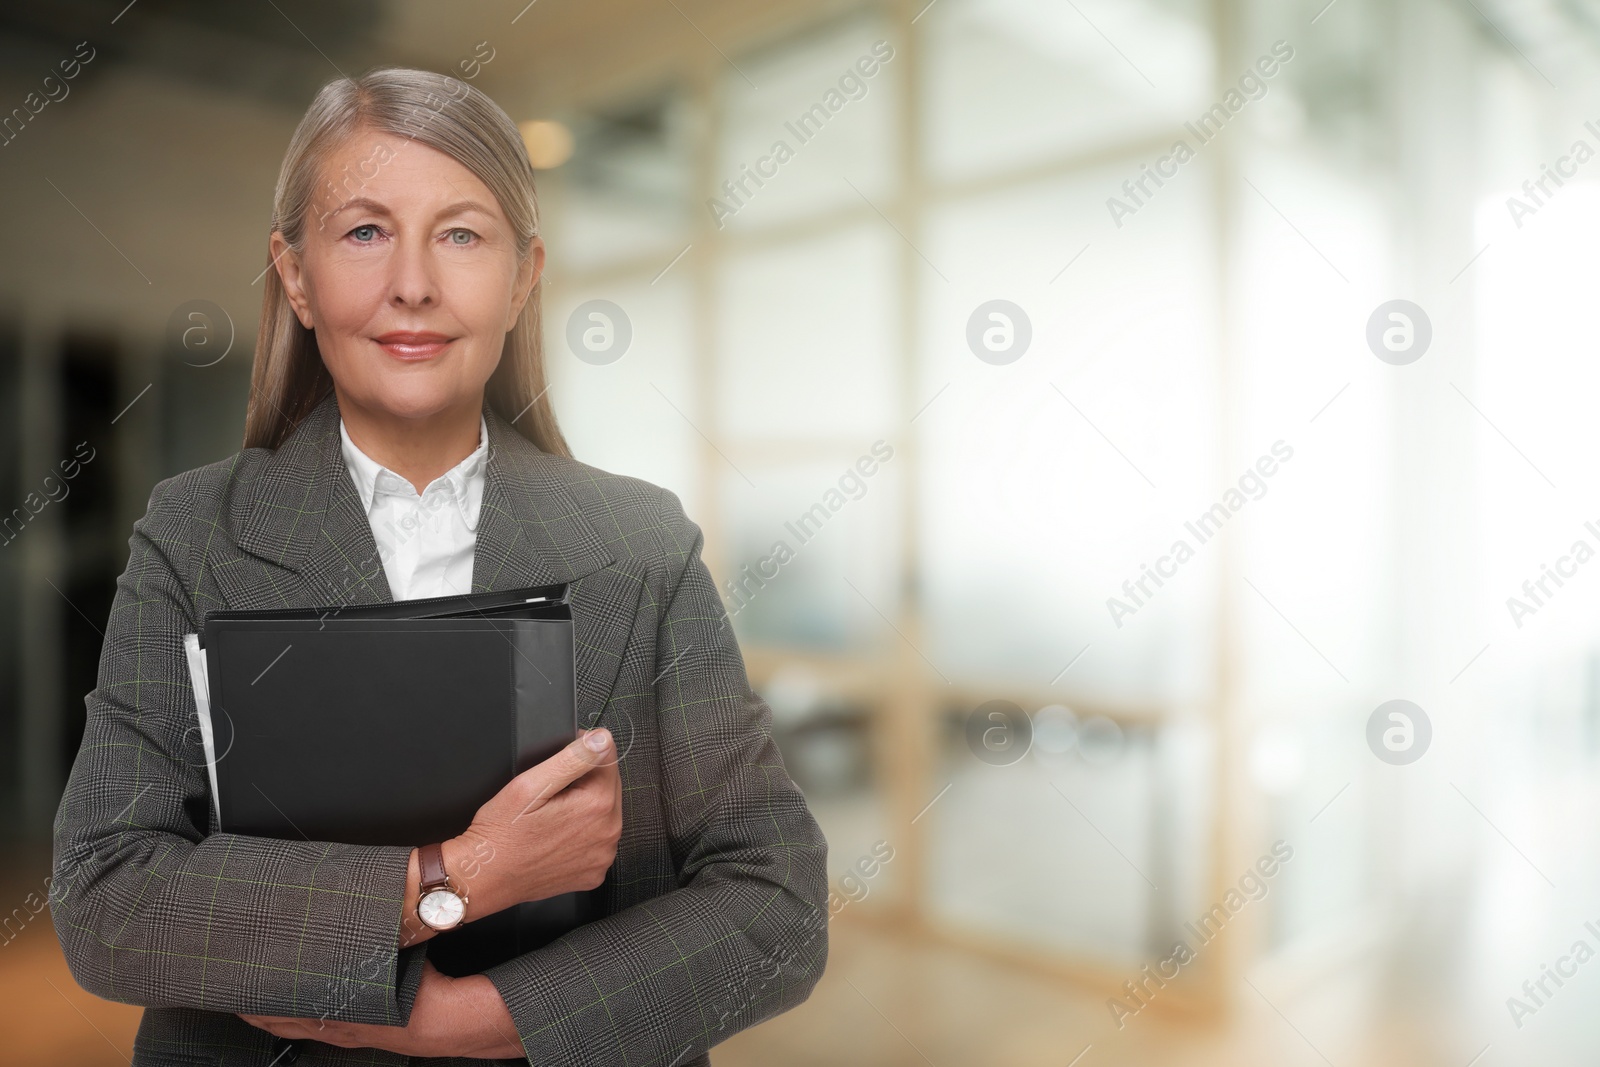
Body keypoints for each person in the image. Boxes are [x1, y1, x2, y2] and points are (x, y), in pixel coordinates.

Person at [49, 67, 829, 1065]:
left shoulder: (643, 544)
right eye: (364, 231)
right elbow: (107, 896)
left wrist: (485, 1016)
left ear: (522, 276)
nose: (411, 282)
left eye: (460, 233)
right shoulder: (193, 535)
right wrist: (452, 874)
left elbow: (777, 900)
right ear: (296, 274)